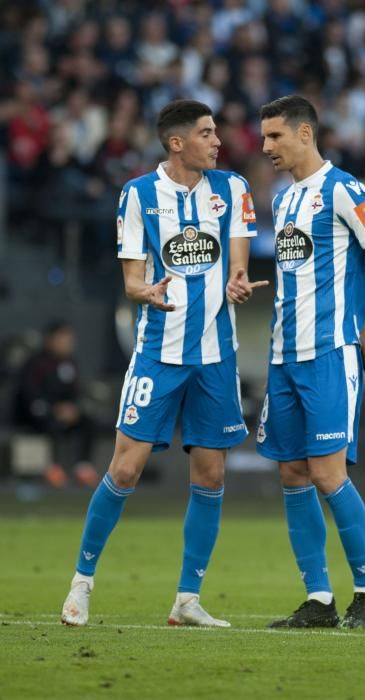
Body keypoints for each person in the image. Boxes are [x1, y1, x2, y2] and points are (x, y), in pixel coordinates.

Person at [61, 99, 268, 628]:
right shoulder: (138, 195)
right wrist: (142, 291)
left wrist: (237, 280)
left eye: (216, 131)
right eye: (206, 133)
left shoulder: (232, 188)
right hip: (158, 353)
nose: (217, 141)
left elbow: (239, 254)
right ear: (177, 143)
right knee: (125, 468)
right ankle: (81, 584)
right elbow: (131, 278)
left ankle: (187, 599)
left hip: (216, 357)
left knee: (210, 471)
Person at [256, 95, 365, 629]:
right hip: (282, 356)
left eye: (274, 136)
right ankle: (319, 600)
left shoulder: (344, 189)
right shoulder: (283, 198)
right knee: (293, 472)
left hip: (328, 354)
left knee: (326, 472)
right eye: (263, 136)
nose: (265, 146)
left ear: (304, 133)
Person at [14, 321, 99, 488]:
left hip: (63, 413)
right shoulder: (36, 363)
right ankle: (52, 467)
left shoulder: (70, 363)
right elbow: (29, 394)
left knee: (88, 421)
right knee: (50, 420)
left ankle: (83, 467)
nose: (67, 344)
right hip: (35, 414)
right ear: (50, 340)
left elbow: (75, 392)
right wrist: (53, 409)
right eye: (62, 339)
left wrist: (73, 408)